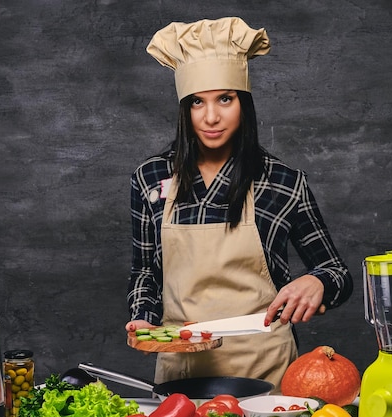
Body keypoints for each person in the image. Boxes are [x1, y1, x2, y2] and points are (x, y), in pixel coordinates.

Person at [125, 17, 353, 391]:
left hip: (266, 368)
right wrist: (143, 319)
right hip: (182, 370)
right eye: (198, 102)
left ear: (243, 104)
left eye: (225, 100)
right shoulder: (150, 178)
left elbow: (338, 274)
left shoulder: (282, 182)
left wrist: (318, 281)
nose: (211, 117)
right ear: (185, 109)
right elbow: (145, 272)